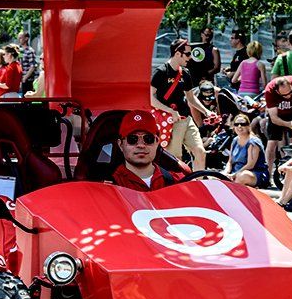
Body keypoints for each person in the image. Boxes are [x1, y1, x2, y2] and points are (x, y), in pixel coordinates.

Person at [151, 38, 216, 170]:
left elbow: (191, 99)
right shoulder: (161, 72)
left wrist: (206, 111)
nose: (190, 57)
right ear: (177, 53)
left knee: (200, 151)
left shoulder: (185, 73)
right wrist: (169, 110)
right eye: (187, 54)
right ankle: (174, 186)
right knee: (175, 158)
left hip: (186, 119)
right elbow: (150, 99)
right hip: (169, 121)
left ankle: (199, 183)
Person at [108, 110, 183, 192]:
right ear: (120, 144)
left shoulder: (179, 182)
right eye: (132, 139)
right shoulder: (106, 188)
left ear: (157, 142)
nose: (141, 145)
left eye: (148, 139)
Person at [223, 115, 268, 187]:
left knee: (241, 176)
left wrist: (234, 174)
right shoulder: (235, 140)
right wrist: (226, 172)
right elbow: (230, 161)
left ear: (248, 126)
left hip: (254, 173)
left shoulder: (253, 142)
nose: (239, 126)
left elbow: (250, 165)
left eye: (243, 124)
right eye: (236, 124)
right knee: (216, 177)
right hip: (235, 172)